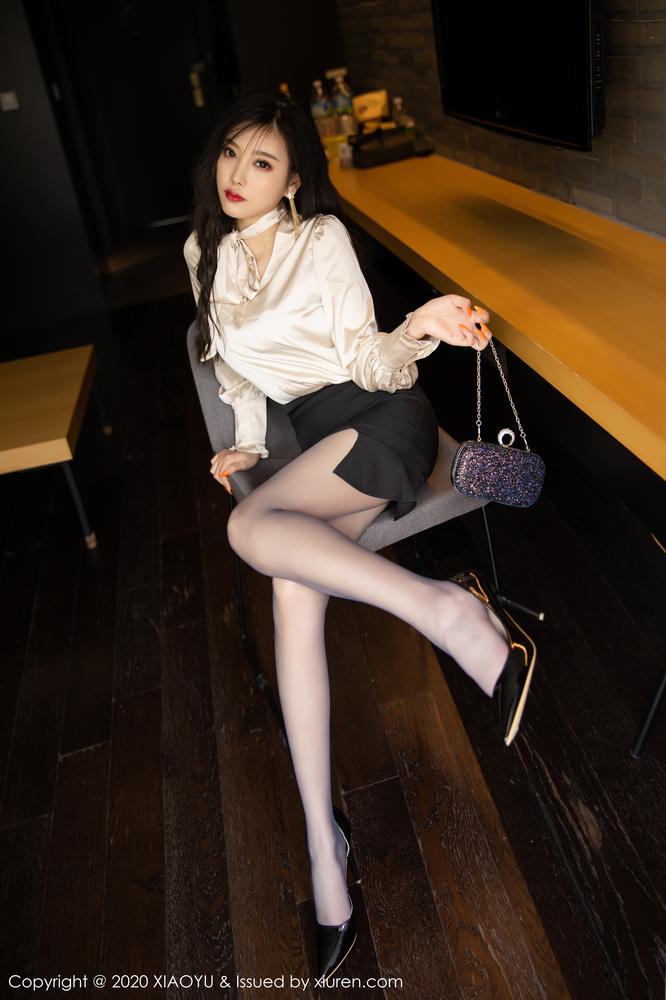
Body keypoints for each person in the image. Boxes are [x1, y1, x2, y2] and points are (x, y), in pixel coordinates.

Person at [184, 90, 536, 982]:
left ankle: (443, 614)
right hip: (314, 440)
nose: (238, 175)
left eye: (263, 162)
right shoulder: (204, 253)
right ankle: (324, 842)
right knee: (289, 584)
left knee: (250, 528)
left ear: (293, 180)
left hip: (380, 419)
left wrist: (417, 327)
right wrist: (250, 441)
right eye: (232, 153)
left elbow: (370, 362)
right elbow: (236, 370)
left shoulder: (321, 240)